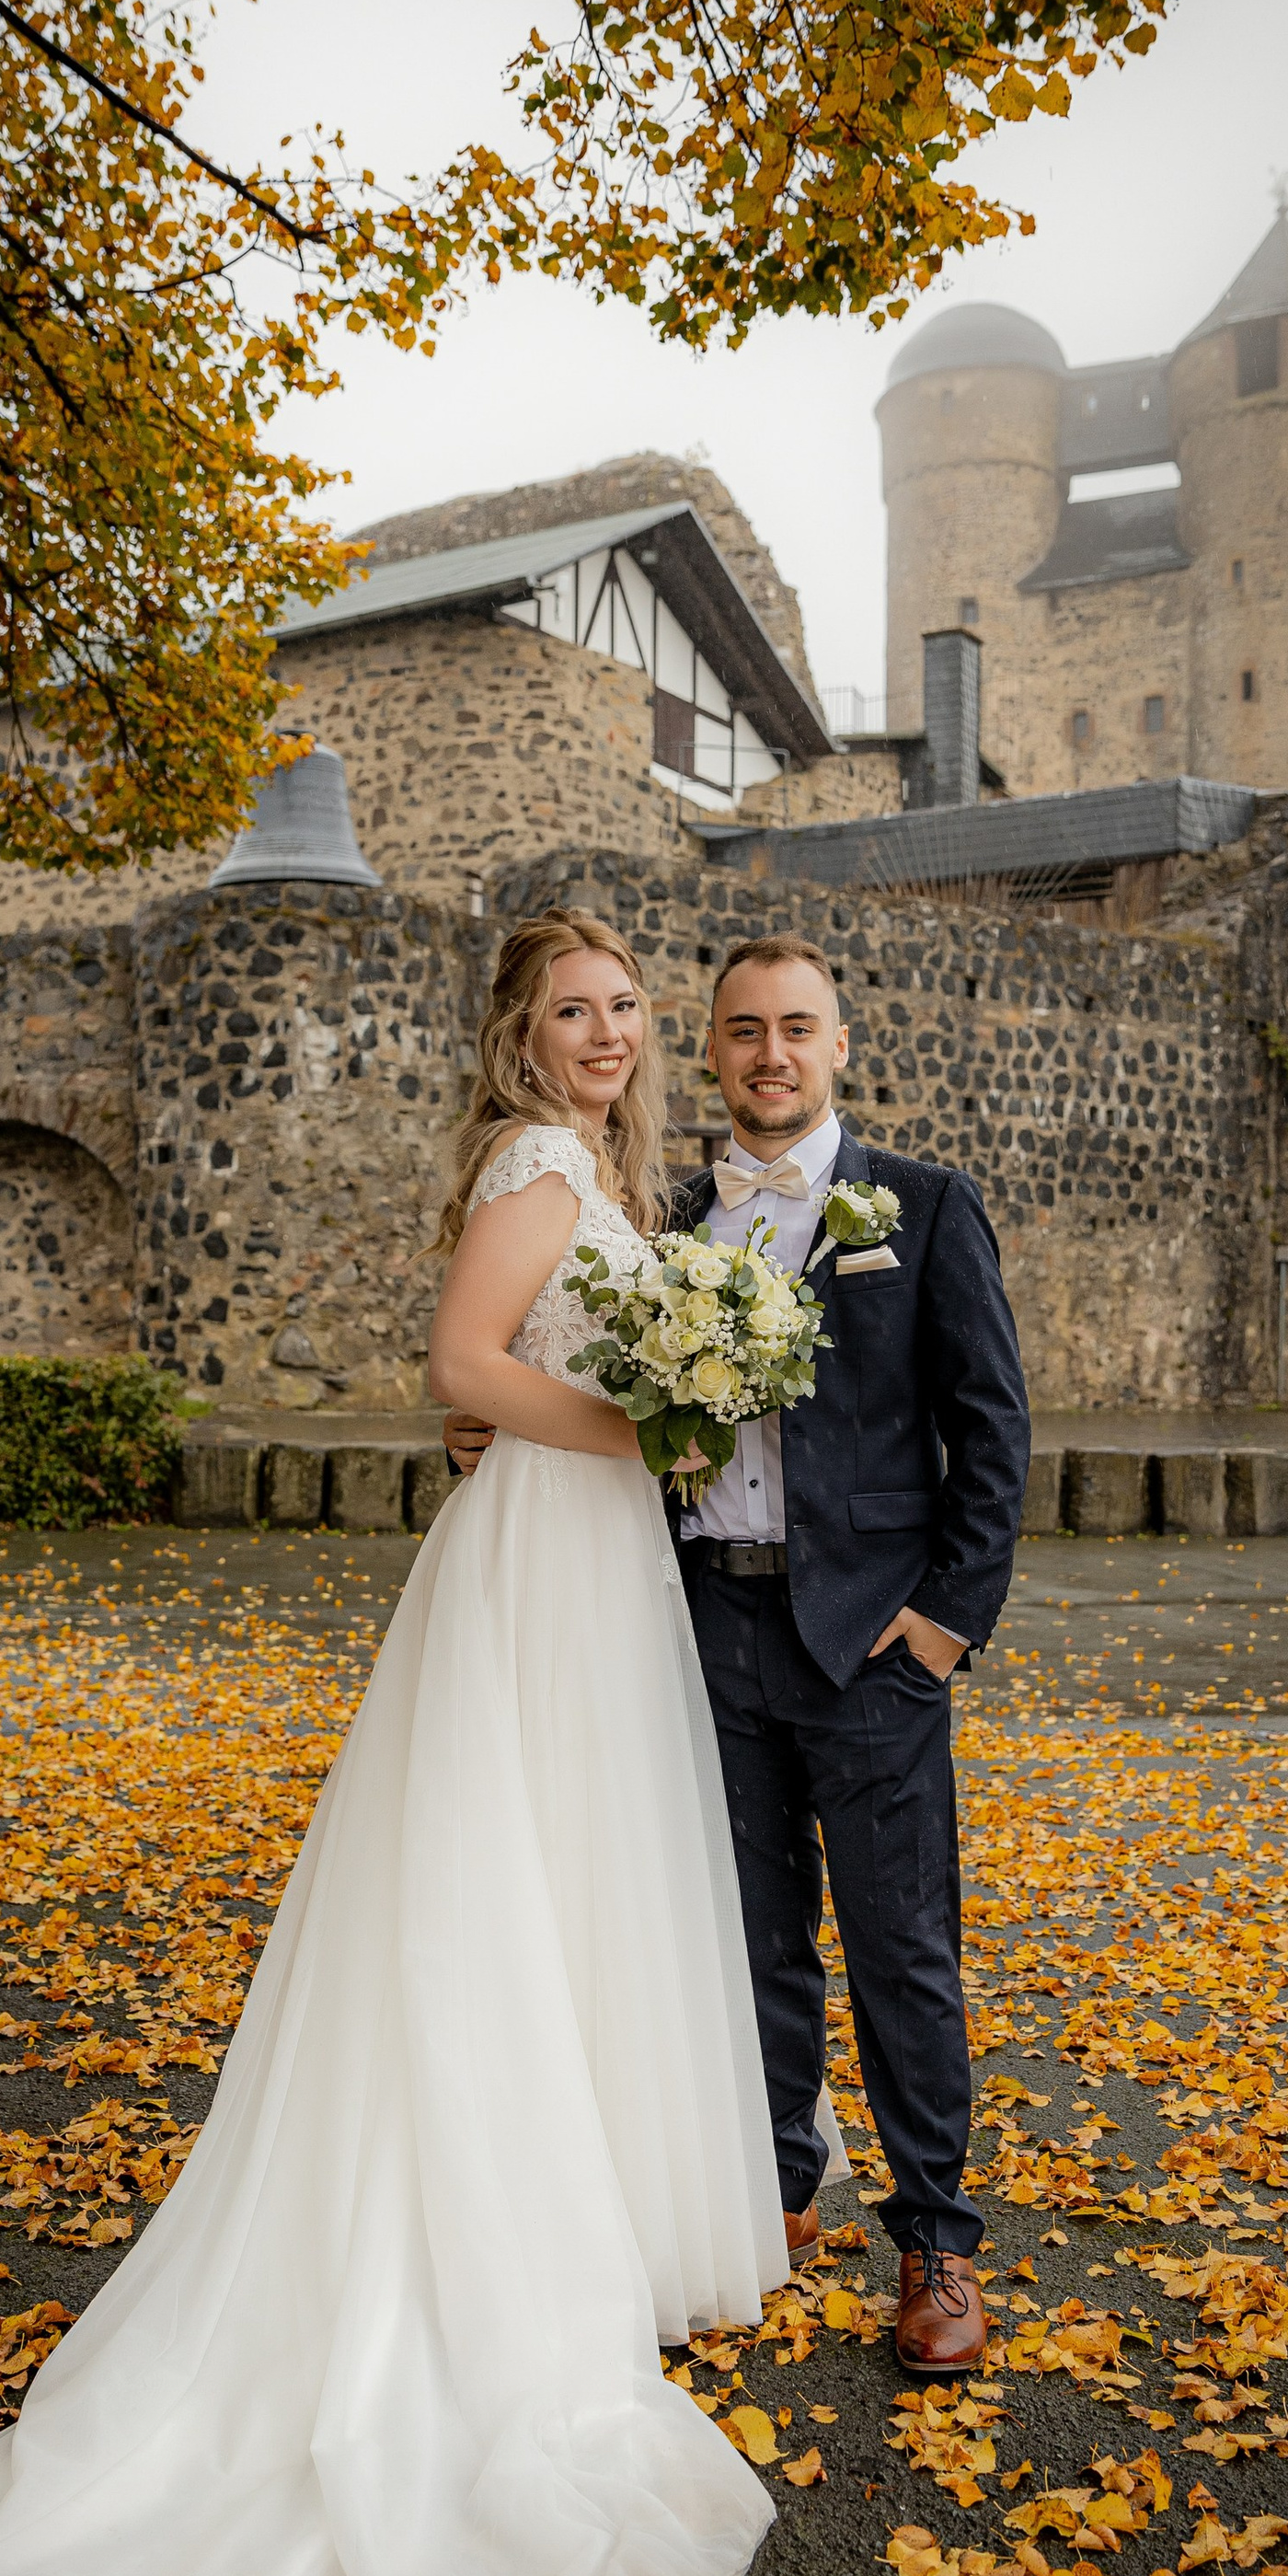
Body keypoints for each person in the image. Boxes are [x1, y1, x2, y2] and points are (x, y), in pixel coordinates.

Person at [0, 914, 782, 2576]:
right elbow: (466, 1365)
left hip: (591, 1567)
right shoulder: (537, 1164)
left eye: (628, 1008)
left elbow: (512, 1385)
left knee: (569, 1901)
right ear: (522, 1035)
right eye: (575, 1011)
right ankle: (479, 2273)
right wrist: (645, 1434)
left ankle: (569, 2239)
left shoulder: (610, 1181)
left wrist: (646, 1424)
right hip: (544, 1564)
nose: (610, 1034)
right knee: (501, 1901)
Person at [446, 933, 1029, 2379]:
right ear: (709, 1049)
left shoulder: (923, 1208)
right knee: (746, 1940)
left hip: (871, 1639)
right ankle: (768, 2191)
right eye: (745, 1030)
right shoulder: (663, 1216)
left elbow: (992, 1431)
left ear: (839, 1045)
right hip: (702, 1624)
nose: (772, 1054)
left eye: (798, 1028)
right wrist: (482, 1428)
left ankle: (936, 2240)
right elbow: (554, 1357)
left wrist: (943, 1624)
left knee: (901, 1946)